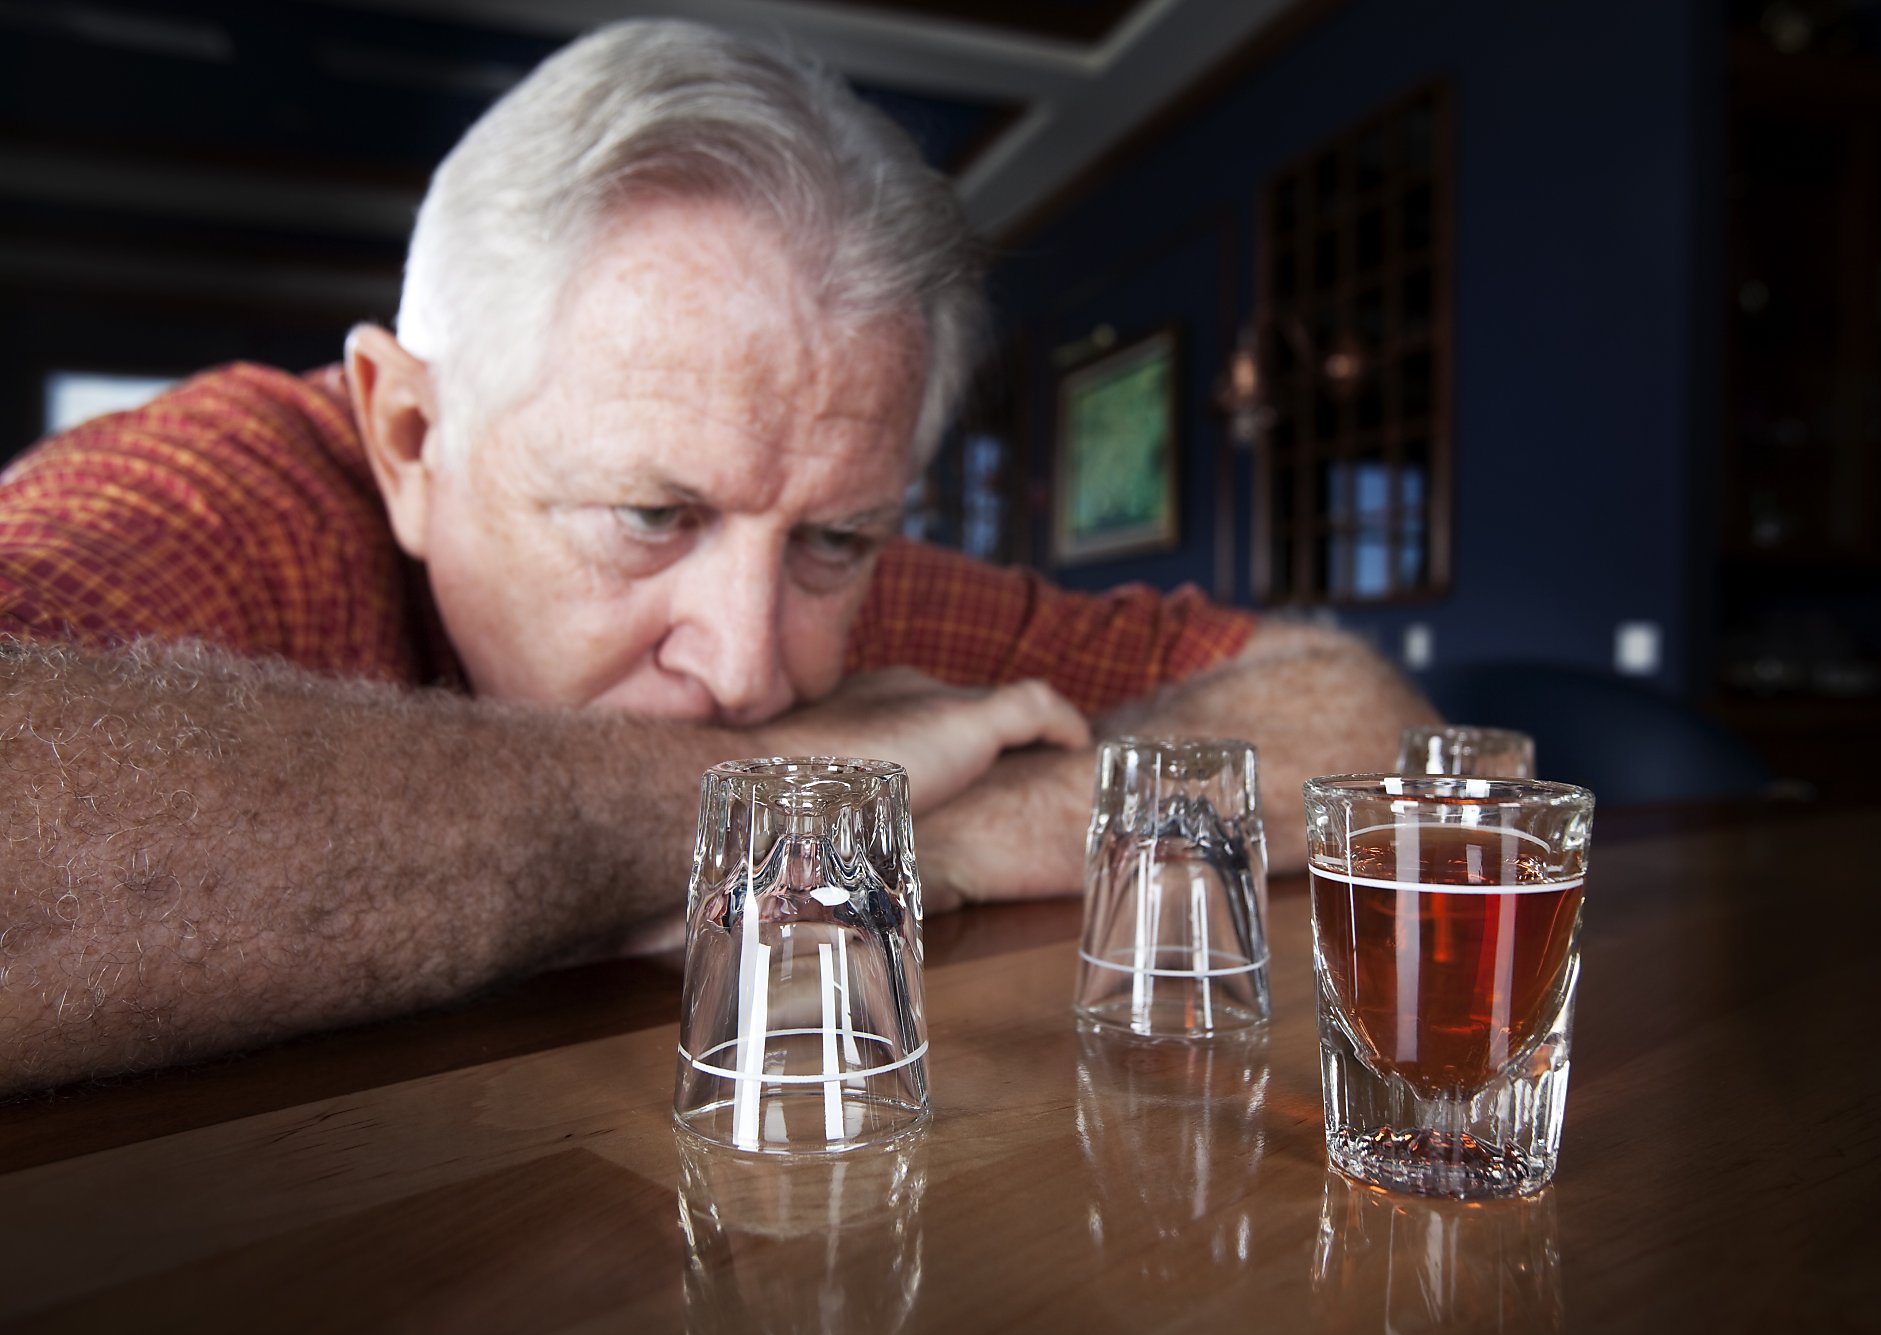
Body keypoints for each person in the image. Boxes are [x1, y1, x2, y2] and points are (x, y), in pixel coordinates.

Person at [0, 20, 1431, 1096]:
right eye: (649, 517)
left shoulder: (821, 570)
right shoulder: (230, 492)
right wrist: (792, 812)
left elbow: (1352, 717)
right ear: (410, 436)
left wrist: (934, 834)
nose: (753, 663)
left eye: (834, 537)